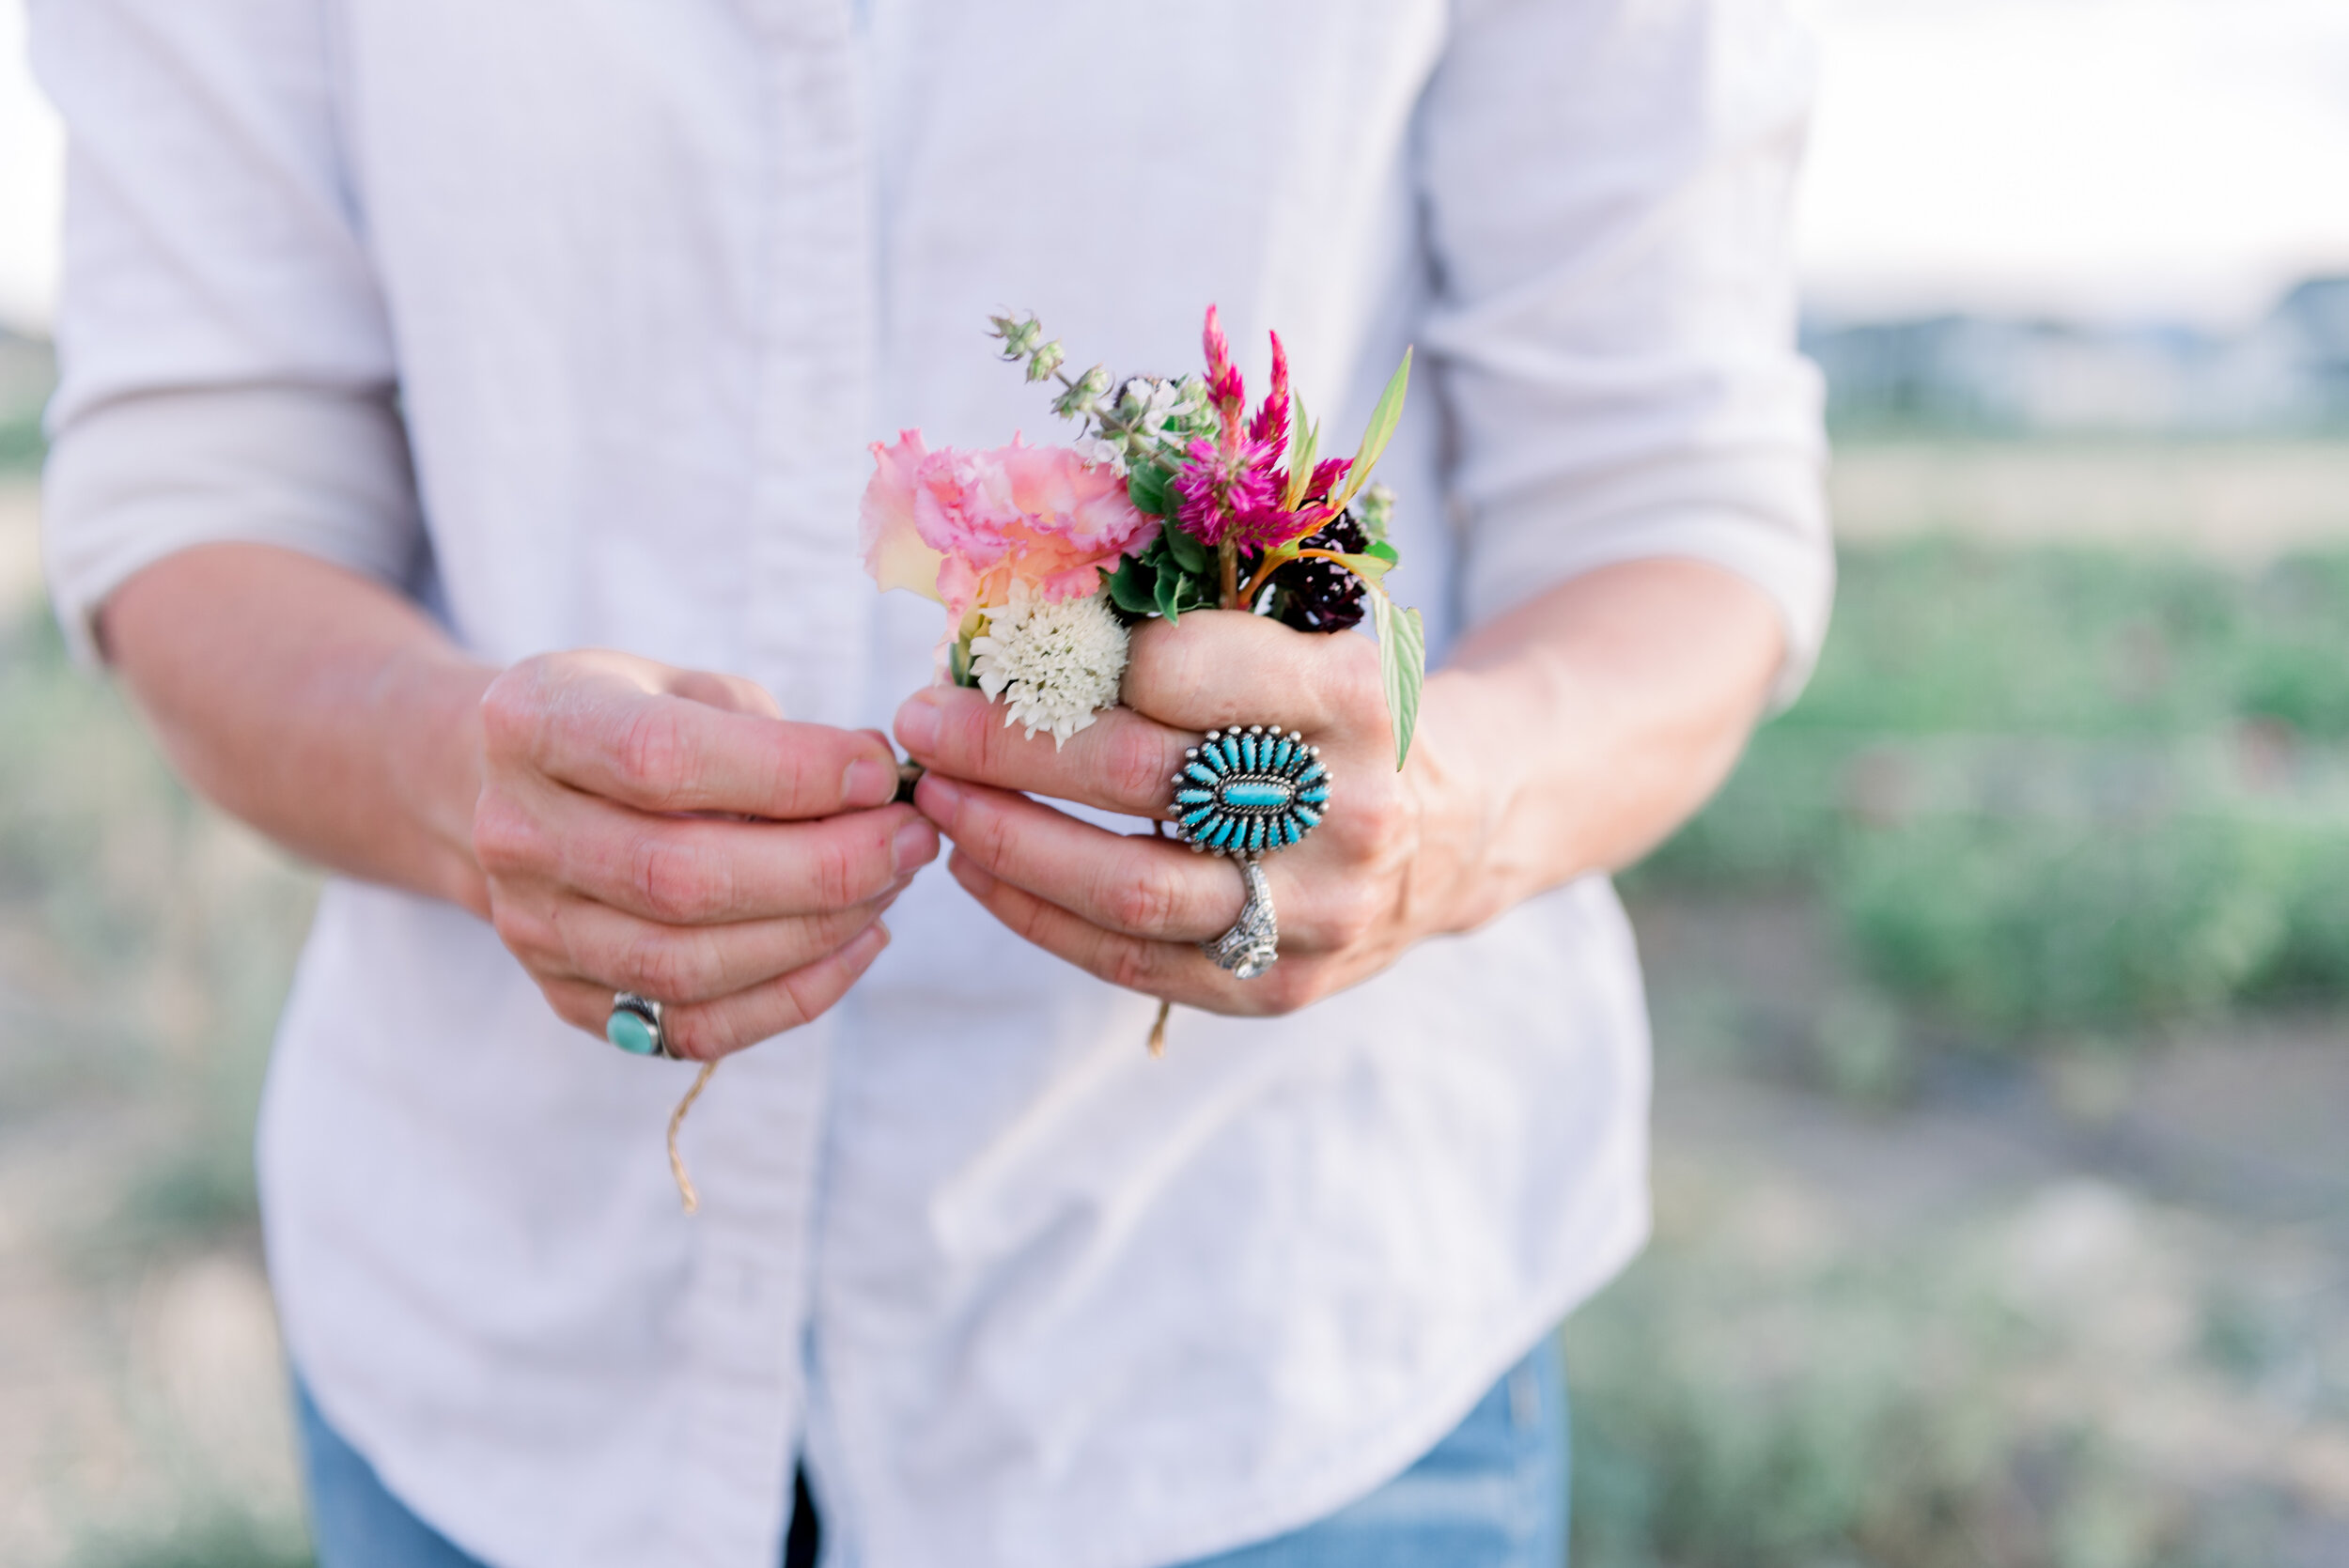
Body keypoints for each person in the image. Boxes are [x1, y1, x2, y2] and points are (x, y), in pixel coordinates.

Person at [31, 0, 1830, 1563]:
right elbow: (208, 480)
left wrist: (1435, 813)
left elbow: (1672, 505)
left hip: (1267, 1342)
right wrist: (457, 781)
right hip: (504, 1345)